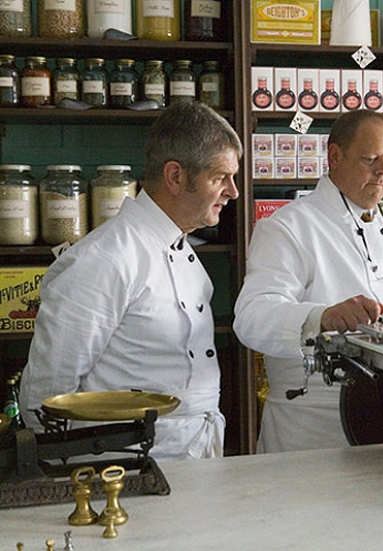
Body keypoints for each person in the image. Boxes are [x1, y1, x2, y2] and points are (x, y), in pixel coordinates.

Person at [19, 102, 242, 460]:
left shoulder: (179, 246)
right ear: (175, 177)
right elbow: (46, 396)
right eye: (220, 178)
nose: (233, 191)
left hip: (186, 460)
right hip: (124, 472)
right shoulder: (104, 259)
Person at [233, 110, 383, 453]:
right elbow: (252, 318)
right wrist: (322, 318)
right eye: (370, 159)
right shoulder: (288, 227)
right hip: (312, 429)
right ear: (334, 156)